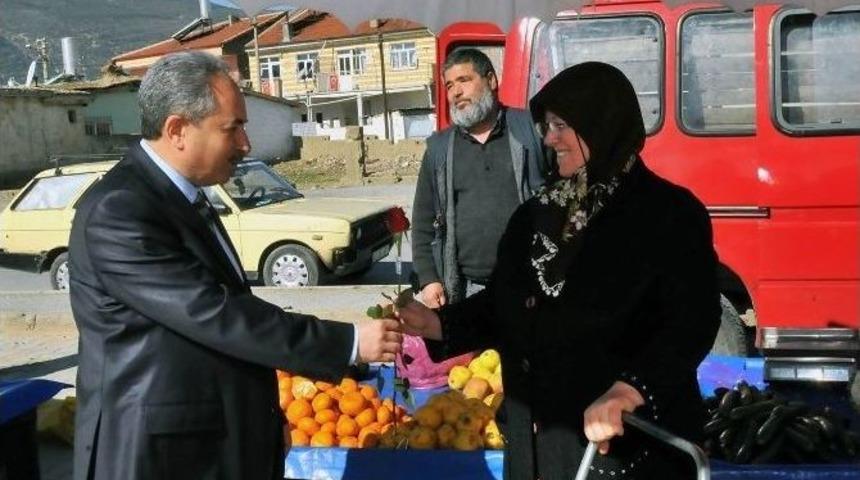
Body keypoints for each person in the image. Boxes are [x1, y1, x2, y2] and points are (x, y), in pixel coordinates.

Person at [68, 52, 402, 480]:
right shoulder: (121, 210)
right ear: (177, 130)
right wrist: (347, 343)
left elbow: (230, 308)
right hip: (163, 454)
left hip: (212, 441)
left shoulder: (183, 196)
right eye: (233, 128)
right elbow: (215, 313)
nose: (245, 144)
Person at [399, 62, 721, 479]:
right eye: (547, 126)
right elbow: (503, 304)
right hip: (540, 442)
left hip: (625, 446)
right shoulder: (536, 215)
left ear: (602, 123)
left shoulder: (669, 214)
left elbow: (692, 321)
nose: (550, 139)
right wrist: (436, 323)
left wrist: (630, 389)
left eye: (562, 125)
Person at [411, 48, 551, 307]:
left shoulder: (531, 130)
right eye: (449, 85)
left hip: (531, 285)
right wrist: (429, 279)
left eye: (464, 80)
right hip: (470, 290)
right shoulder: (439, 149)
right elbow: (422, 221)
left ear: (491, 80)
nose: (455, 92)